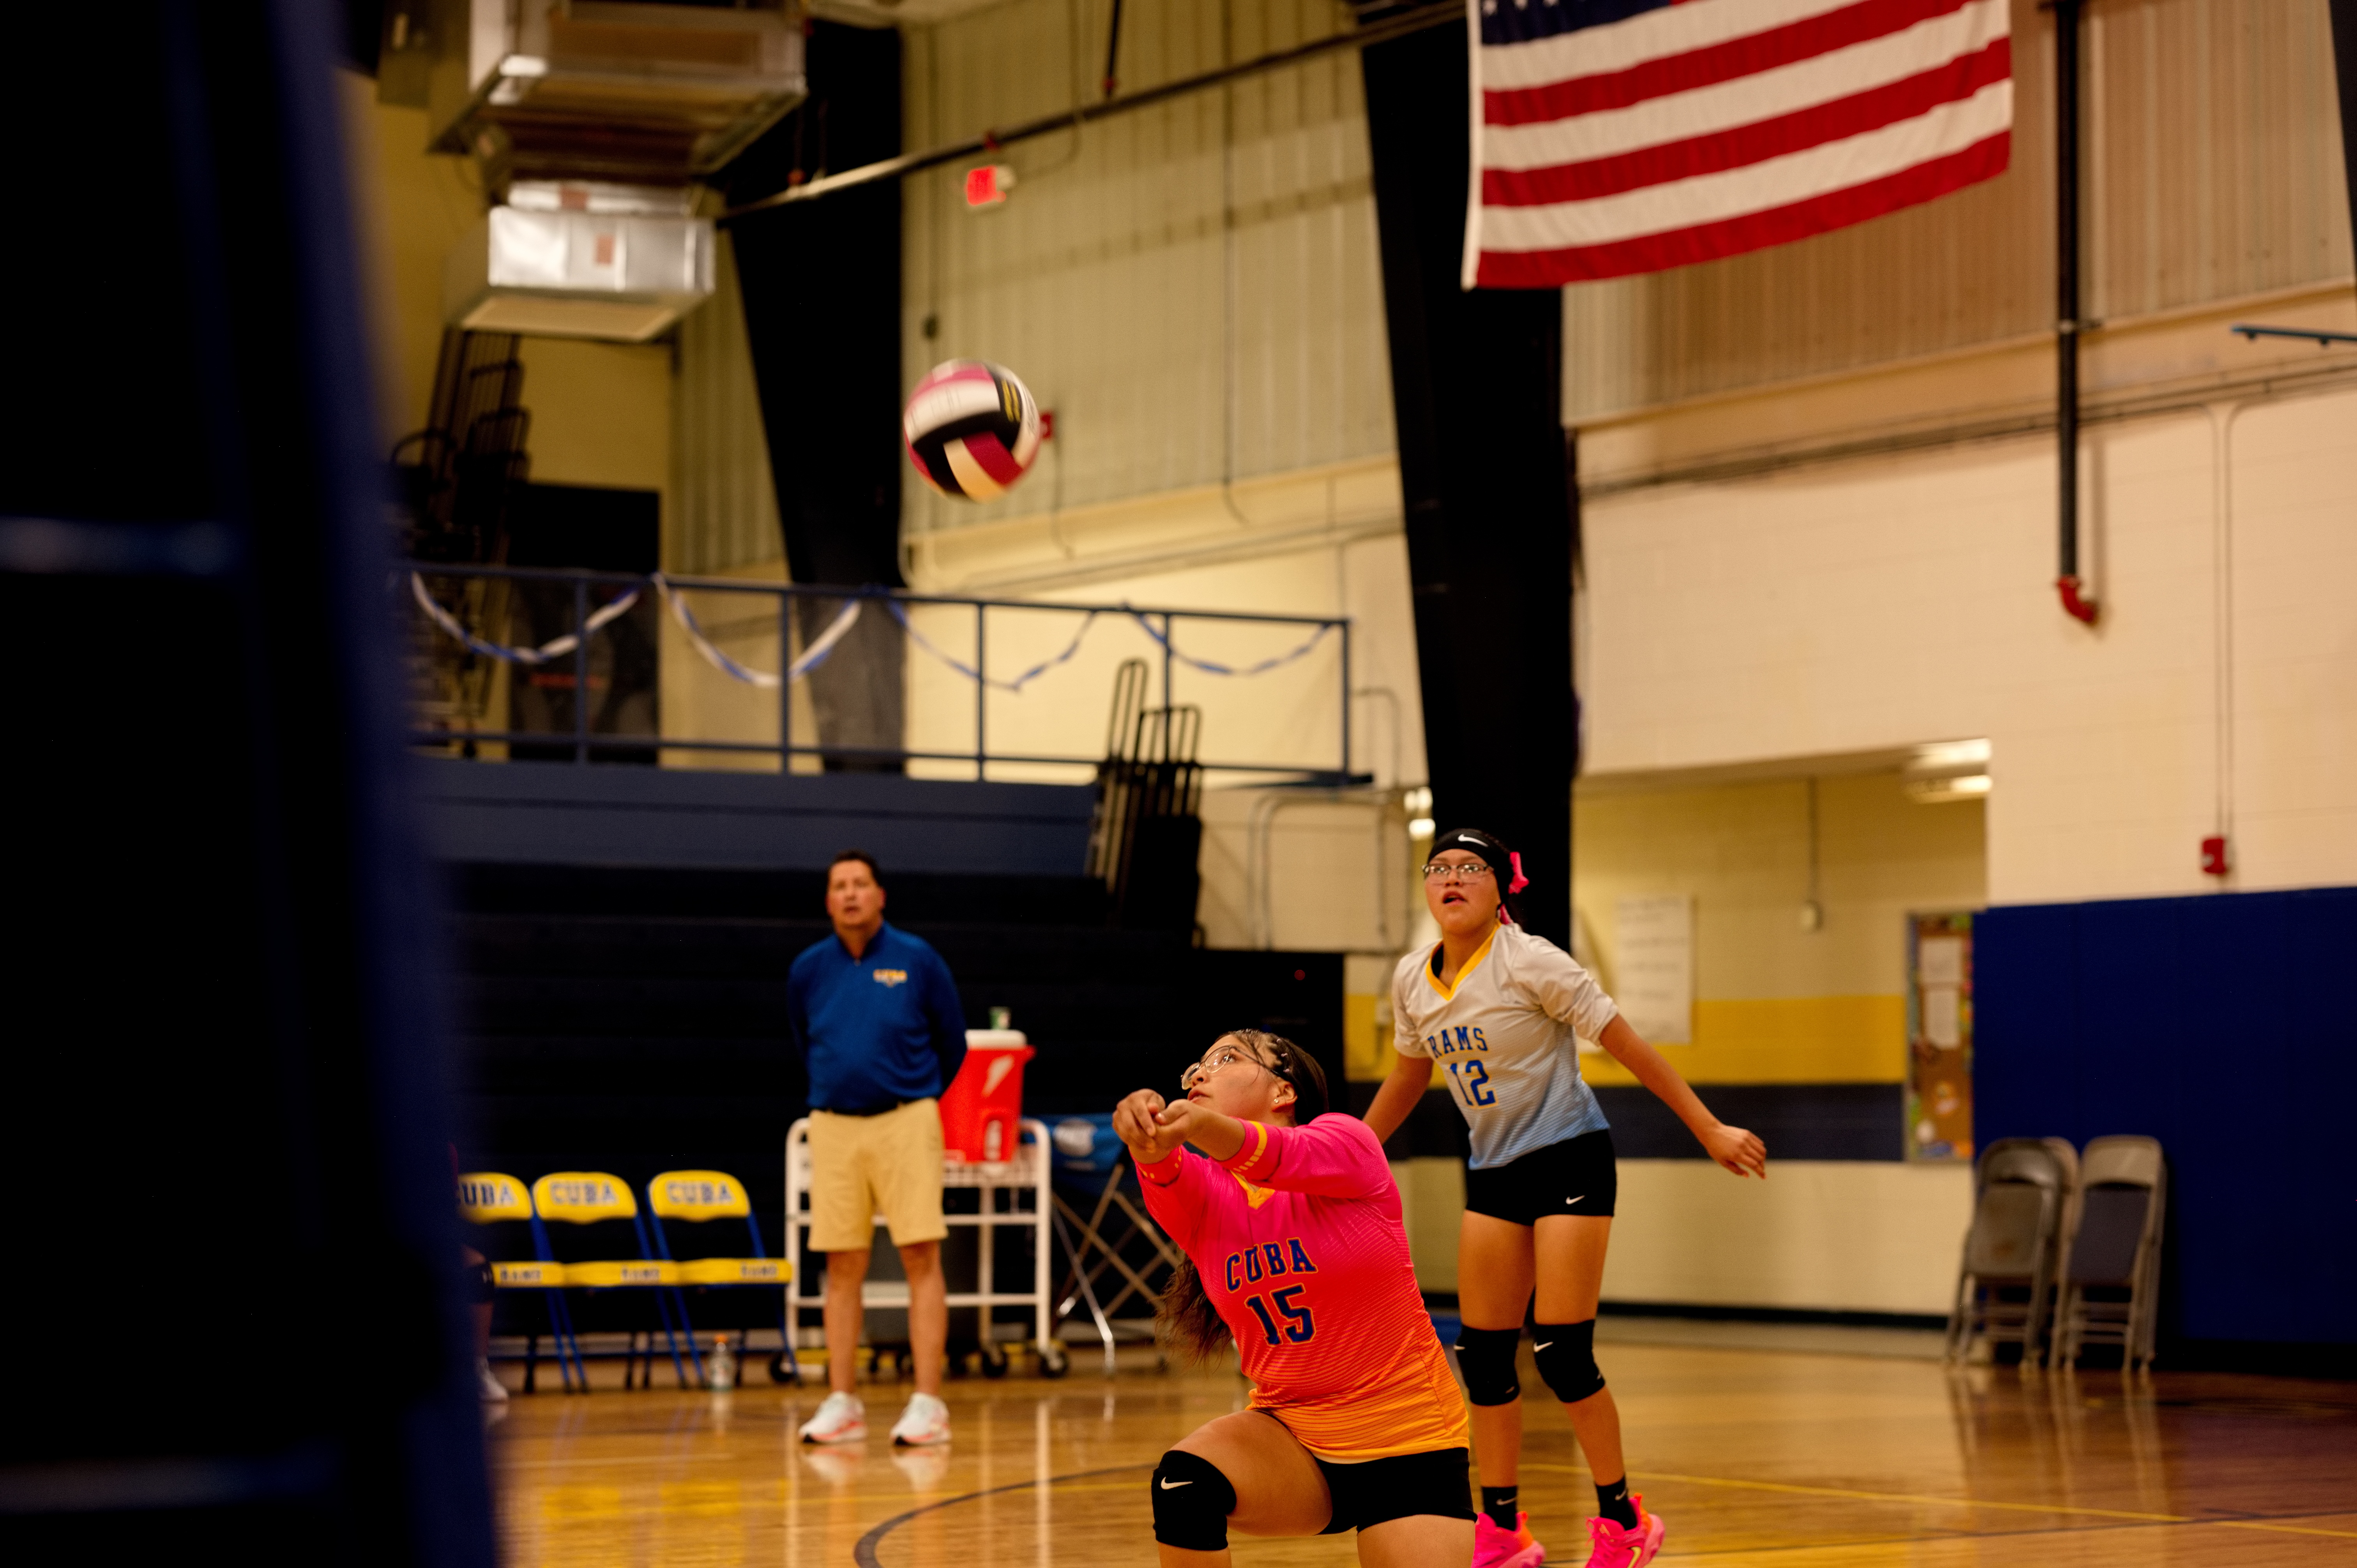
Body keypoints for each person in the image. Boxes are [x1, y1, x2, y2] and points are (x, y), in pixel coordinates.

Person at [1363, 829, 1769, 1568]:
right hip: (1493, 1169)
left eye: (1470, 869)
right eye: (1439, 868)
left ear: (1499, 889)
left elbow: (1629, 1045)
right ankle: (1503, 1530)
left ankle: (1624, 1522)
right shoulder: (1412, 980)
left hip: (1569, 1157)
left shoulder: (1532, 961)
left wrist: (1708, 1127)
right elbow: (1407, 1078)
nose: (1452, 879)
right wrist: (1349, 1158)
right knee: (1482, 1357)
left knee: (1560, 1350)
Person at [1115, 1029, 1476, 1568]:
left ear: (1284, 1092)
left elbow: (1269, 1152)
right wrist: (1141, 1133)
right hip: (1294, 1439)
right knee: (1184, 1481)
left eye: (1227, 1058)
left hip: (1408, 1440)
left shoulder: (1348, 1144)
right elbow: (1161, 1162)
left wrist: (1201, 1127)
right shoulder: (1206, 1192)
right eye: (1198, 1066)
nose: (1201, 1074)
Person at [787, 849, 968, 1447]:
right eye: (839, 885)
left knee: (920, 1255)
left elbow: (953, 1042)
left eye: (860, 884)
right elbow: (802, 1037)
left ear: (880, 895)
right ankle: (842, 1402)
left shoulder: (918, 959)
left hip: (907, 1119)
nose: (850, 894)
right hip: (834, 1125)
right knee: (841, 1263)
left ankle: (929, 1404)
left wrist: (916, 1096)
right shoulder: (809, 969)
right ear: (828, 901)